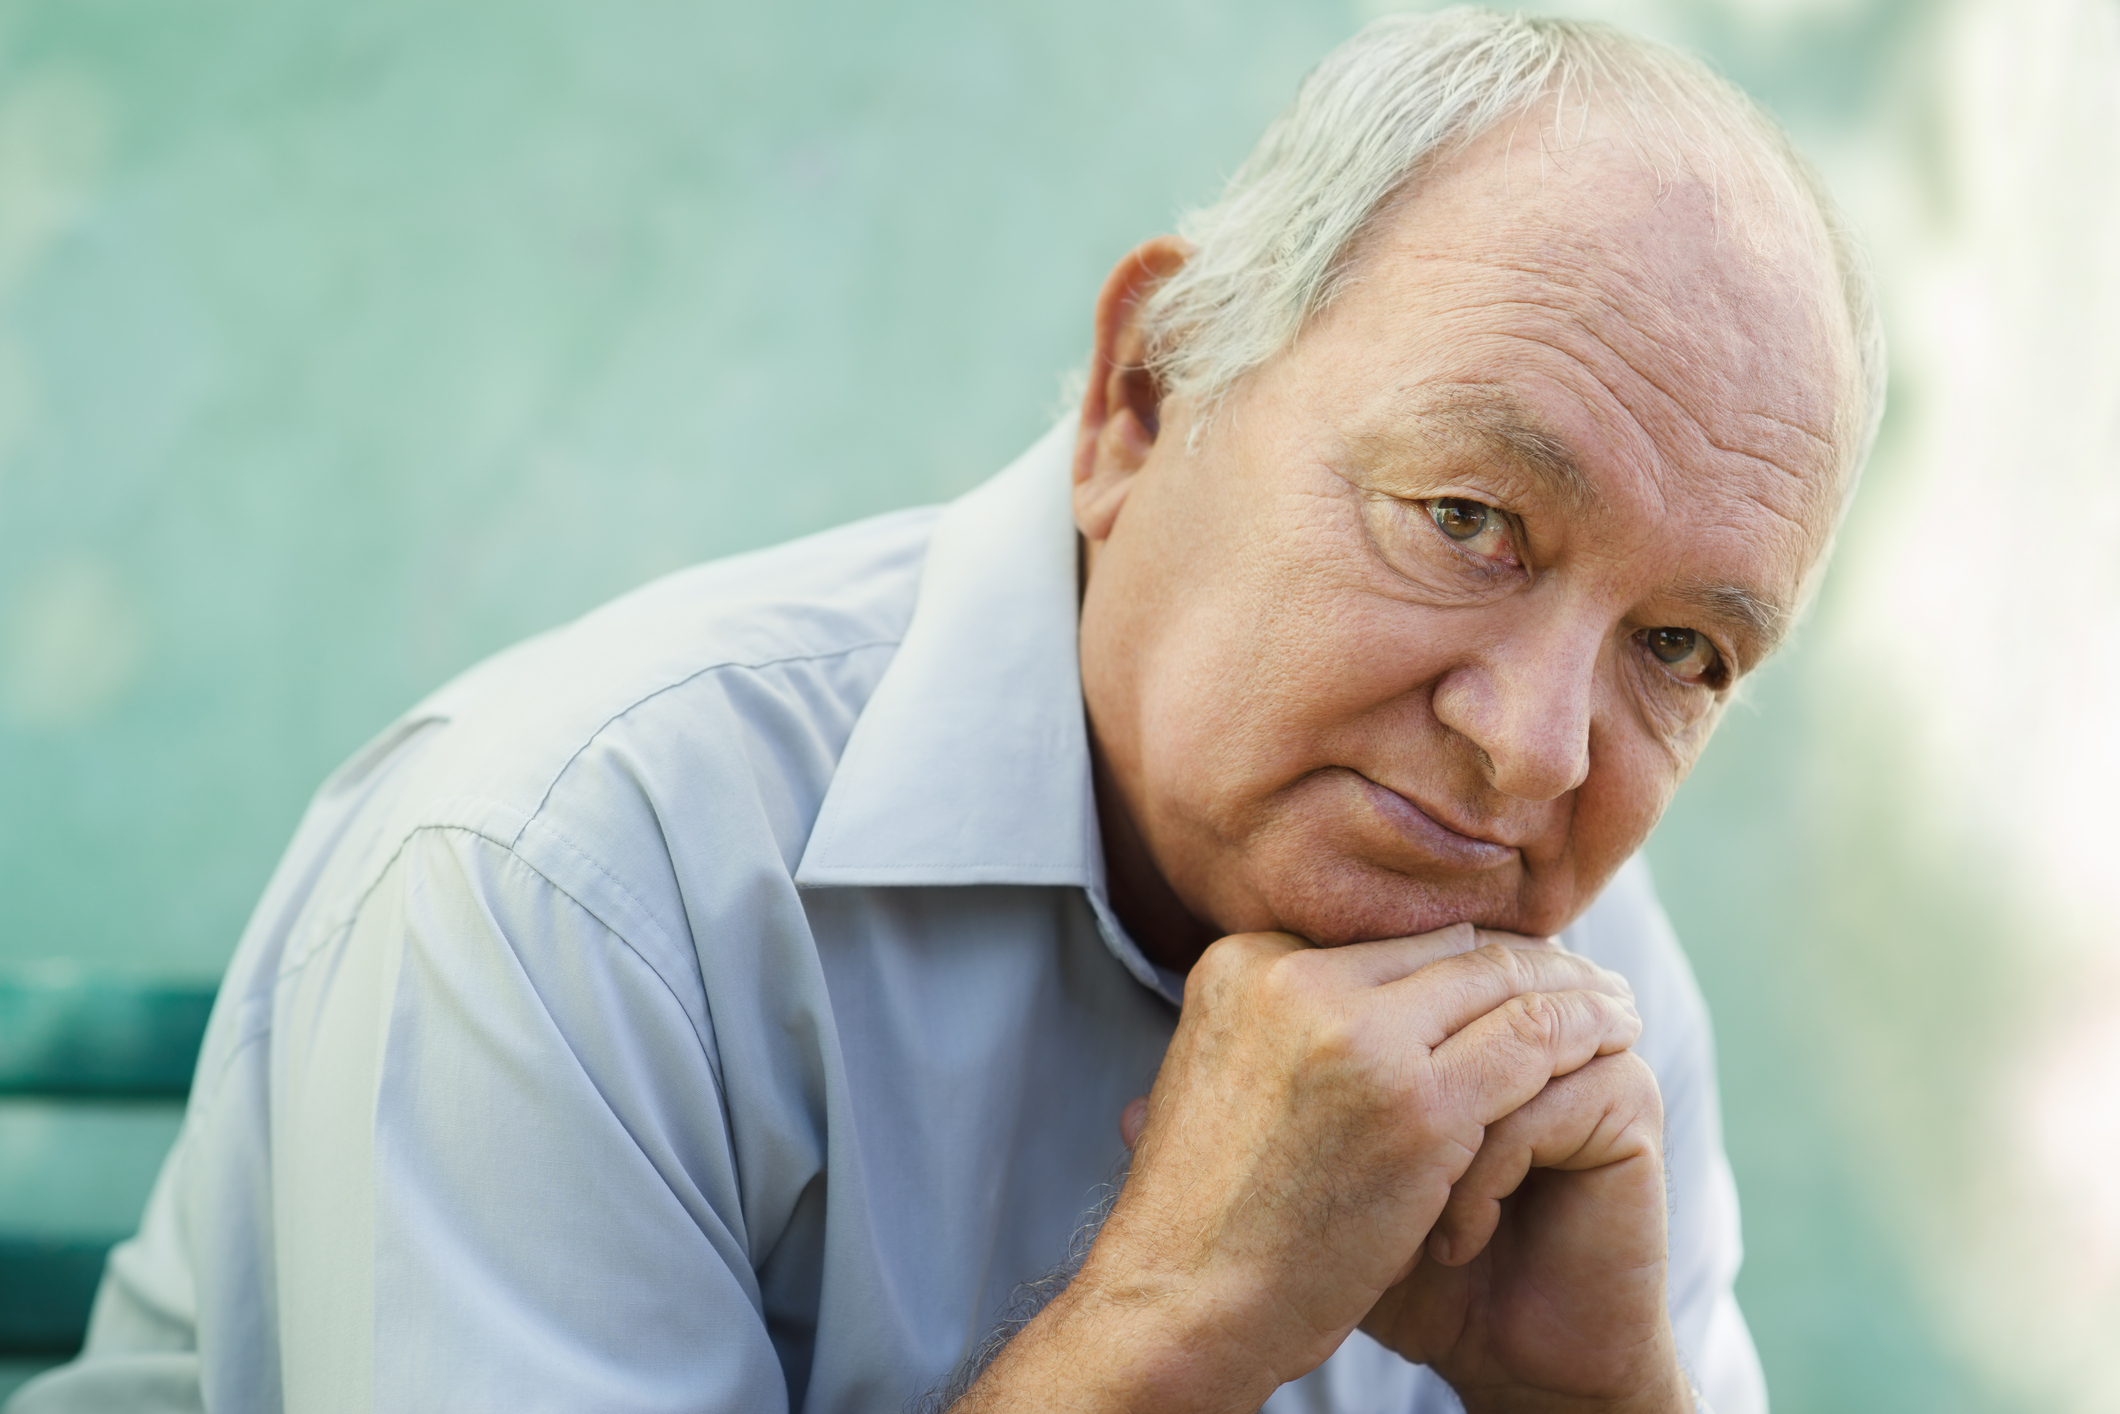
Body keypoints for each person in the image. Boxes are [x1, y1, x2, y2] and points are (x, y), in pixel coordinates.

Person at [9, 8, 1881, 1413]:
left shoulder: (1593, 995)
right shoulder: (567, 874)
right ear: (1143, 400)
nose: (1540, 747)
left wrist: (1602, 1402)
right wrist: (1170, 1323)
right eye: (1468, 519)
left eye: (1683, 652)